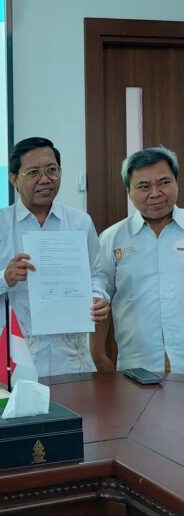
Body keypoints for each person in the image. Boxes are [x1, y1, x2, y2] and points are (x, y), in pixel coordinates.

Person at [0, 136, 109, 377]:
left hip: (71, 358)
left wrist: (98, 297)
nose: (45, 179)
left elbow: (97, 274)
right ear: (14, 179)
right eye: (33, 172)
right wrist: (3, 278)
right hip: (16, 361)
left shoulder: (80, 222)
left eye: (52, 170)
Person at [91, 146, 184, 373]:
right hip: (136, 368)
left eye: (164, 182)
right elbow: (99, 300)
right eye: (144, 186)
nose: (155, 193)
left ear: (176, 182)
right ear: (128, 191)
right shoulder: (112, 239)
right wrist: (98, 355)